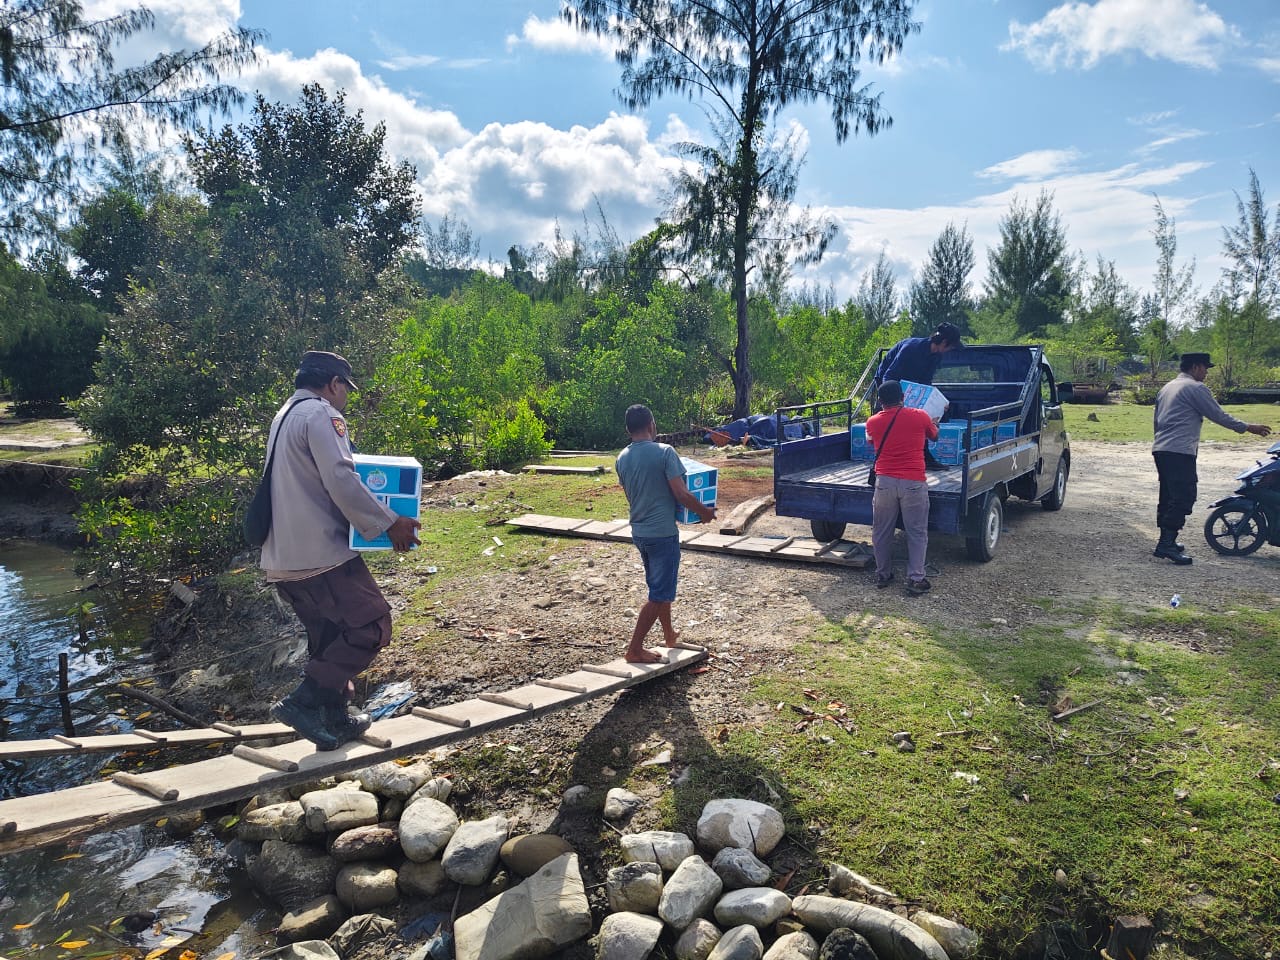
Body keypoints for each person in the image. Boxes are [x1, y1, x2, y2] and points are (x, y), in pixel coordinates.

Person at [259, 351, 421, 749]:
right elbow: (341, 478)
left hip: (284, 556)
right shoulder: (321, 414)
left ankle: (335, 717)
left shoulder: (284, 415)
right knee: (371, 626)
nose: (346, 396)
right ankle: (302, 703)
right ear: (333, 384)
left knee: (331, 636)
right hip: (320, 554)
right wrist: (390, 523)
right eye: (346, 388)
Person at [615, 404, 716, 663]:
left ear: (628, 429)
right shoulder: (665, 452)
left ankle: (669, 635)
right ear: (652, 424)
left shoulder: (622, 458)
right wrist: (704, 512)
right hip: (662, 534)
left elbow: (632, 496)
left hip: (640, 533)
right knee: (660, 594)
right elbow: (681, 493)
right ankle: (634, 649)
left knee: (659, 587)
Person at [1151, 352, 1271, 565]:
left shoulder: (1168, 387)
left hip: (1162, 448)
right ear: (1195, 367)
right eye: (1205, 368)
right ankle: (1166, 544)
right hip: (1179, 450)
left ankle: (1166, 539)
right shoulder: (1195, 388)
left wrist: (1161, 442)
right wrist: (1248, 427)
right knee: (1184, 496)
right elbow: (1217, 415)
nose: (1206, 373)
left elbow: (1156, 420)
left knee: (1168, 495)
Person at [867, 380, 939, 595]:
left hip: (884, 483)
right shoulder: (920, 416)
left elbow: (872, 441)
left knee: (881, 531)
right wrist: (935, 423)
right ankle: (916, 578)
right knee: (916, 532)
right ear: (903, 397)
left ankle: (883, 574)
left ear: (880, 401)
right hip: (913, 483)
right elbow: (934, 436)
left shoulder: (873, 421)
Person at [875, 322, 964, 387]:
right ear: (944, 342)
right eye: (951, 347)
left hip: (908, 383)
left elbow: (926, 381)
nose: (950, 350)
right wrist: (888, 398)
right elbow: (889, 376)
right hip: (886, 379)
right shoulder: (910, 348)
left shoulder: (937, 356)